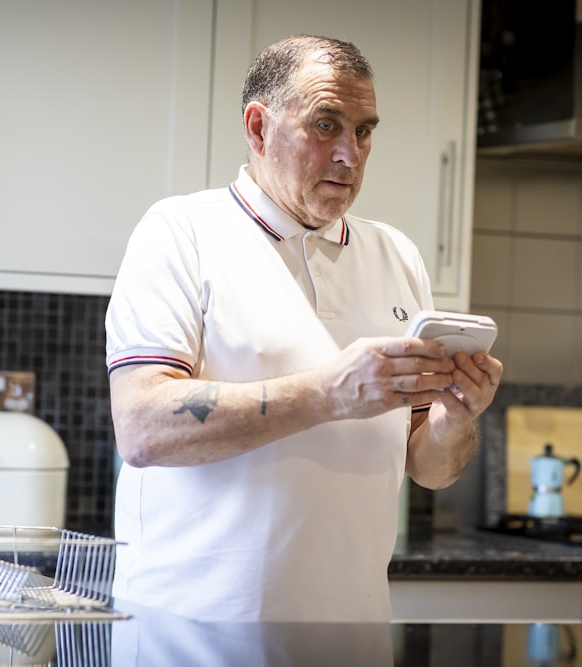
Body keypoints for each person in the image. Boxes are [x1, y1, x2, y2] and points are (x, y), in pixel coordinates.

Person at [104, 34, 503, 623]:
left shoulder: (398, 256)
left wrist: (453, 423)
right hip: (195, 638)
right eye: (326, 125)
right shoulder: (180, 232)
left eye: (364, 130)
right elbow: (142, 428)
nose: (351, 154)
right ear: (259, 128)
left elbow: (430, 468)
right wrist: (330, 393)